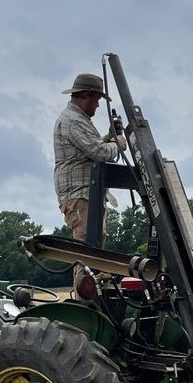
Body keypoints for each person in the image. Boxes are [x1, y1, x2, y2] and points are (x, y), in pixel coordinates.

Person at [53, 72, 127, 289]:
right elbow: (99, 152)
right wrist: (119, 143)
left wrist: (109, 138)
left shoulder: (78, 120)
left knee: (93, 246)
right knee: (87, 250)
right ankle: (88, 300)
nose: (97, 106)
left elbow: (89, 147)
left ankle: (94, 294)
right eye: (96, 100)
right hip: (80, 195)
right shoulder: (73, 121)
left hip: (85, 193)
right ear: (87, 95)